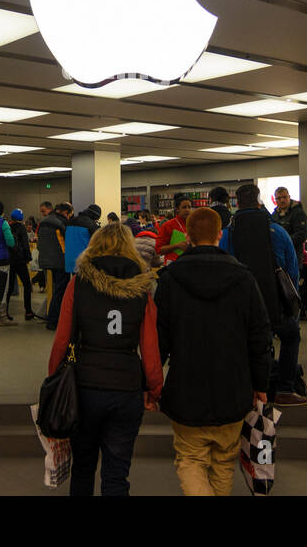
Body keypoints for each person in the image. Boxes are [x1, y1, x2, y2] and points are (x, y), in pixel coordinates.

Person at [155, 208, 271, 496]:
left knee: (191, 458)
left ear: (188, 237)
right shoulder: (244, 278)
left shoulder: (170, 279)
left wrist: (152, 383)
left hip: (185, 388)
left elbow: (159, 338)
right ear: (221, 235)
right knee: (223, 462)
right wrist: (261, 384)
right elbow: (259, 336)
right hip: (234, 387)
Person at [47, 222, 162, 496]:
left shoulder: (78, 284)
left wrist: (53, 378)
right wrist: (154, 388)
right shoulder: (142, 289)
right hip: (126, 388)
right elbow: (149, 345)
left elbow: (62, 338)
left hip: (84, 387)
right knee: (117, 473)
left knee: (83, 467)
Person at [221, 184, 307, 405]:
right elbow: (292, 269)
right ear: (261, 203)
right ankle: (285, 390)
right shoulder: (277, 231)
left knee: (248, 341)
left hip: (240, 308)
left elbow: (224, 267)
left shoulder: (228, 234)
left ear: (236, 204)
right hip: (275, 305)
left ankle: (249, 388)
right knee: (291, 335)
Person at [41, 202, 71, 329]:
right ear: (65, 213)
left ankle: (51, 317)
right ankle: (53, 320)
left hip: (47, 261)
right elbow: (66, 241)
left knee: (54, 291)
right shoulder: (61, 223)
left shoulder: (44, 221)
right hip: (60, 261)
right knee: (60, 291)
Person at [5, 208, 36, 320]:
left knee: (8, 288)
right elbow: (25, 245)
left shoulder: (6, 227)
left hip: (9, 261)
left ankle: (5, 312)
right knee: (27, 285)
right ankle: (28, 311)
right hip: (20, 261)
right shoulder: (22, 228)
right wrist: (28, 257)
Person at [155, 193, 193, 266]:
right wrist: (176, 246)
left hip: (190, 263)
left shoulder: (194, 224)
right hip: (173, 264)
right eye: (184, 207)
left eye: (189, 207)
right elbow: (159, 249)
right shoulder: (168, 225)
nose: (187, 210)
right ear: (177, 209)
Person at [37, 200, 65, 295]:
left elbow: (39, 244)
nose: (42, 214)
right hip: (59, 262)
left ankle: (50, 308)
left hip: (45, 261)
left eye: (43, 211)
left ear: (50, 209)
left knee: (50, 290)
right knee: (58, 290)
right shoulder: (59, 222)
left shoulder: (42, 223)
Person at [271, 186, 307, 253]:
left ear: (289, 197)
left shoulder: (298, 213)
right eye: (279, 198)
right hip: (279, 253)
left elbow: (301, 235)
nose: (282, 200)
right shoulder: (274, 215)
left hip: (294, 253)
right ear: (275, 200)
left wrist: (283, 242)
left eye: (284, 197)